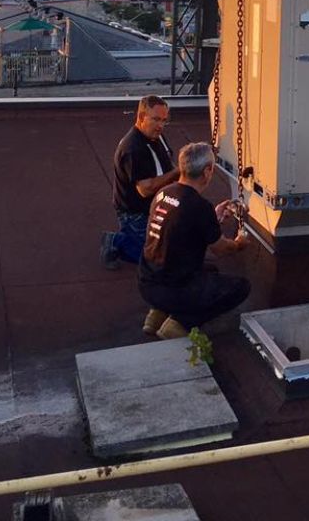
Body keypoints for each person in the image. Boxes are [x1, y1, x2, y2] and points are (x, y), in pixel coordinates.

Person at [139, 141, 251, 340]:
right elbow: (221, 249)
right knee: (240, 287)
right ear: (207, 171)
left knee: (210, 271)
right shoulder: (198, 206)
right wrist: (240, 242)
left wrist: (213, 218)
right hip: (173, 288)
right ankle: (180, 322)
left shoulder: (164, 193)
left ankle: (157, 313)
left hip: (147, 282)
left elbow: (178, 228)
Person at [101, 95, 179, 269]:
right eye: (156, 119)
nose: (161, 125)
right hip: (135, 212)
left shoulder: (157, 137)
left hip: (155, 205)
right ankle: (116, 241)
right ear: (141, 117)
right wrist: (178, 172)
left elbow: (168, 163)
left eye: (164, 120)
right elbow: (145, 189)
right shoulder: (133, 148)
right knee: (152, 260)